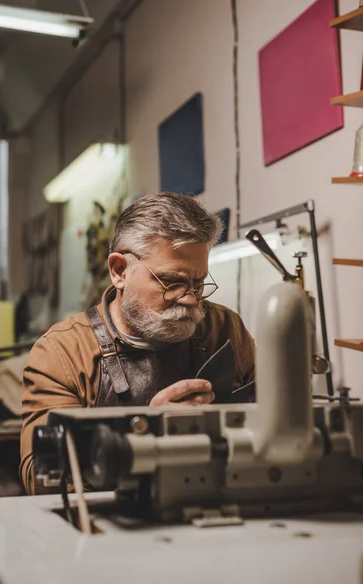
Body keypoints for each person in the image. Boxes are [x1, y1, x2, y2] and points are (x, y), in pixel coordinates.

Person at [20, 193, 255, 494]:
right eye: (173, 282)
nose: (191, 299)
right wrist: (145, 431)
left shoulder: (225, 330)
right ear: (119, 271)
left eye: (198, 283)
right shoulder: (62, 353)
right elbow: (40, 477)